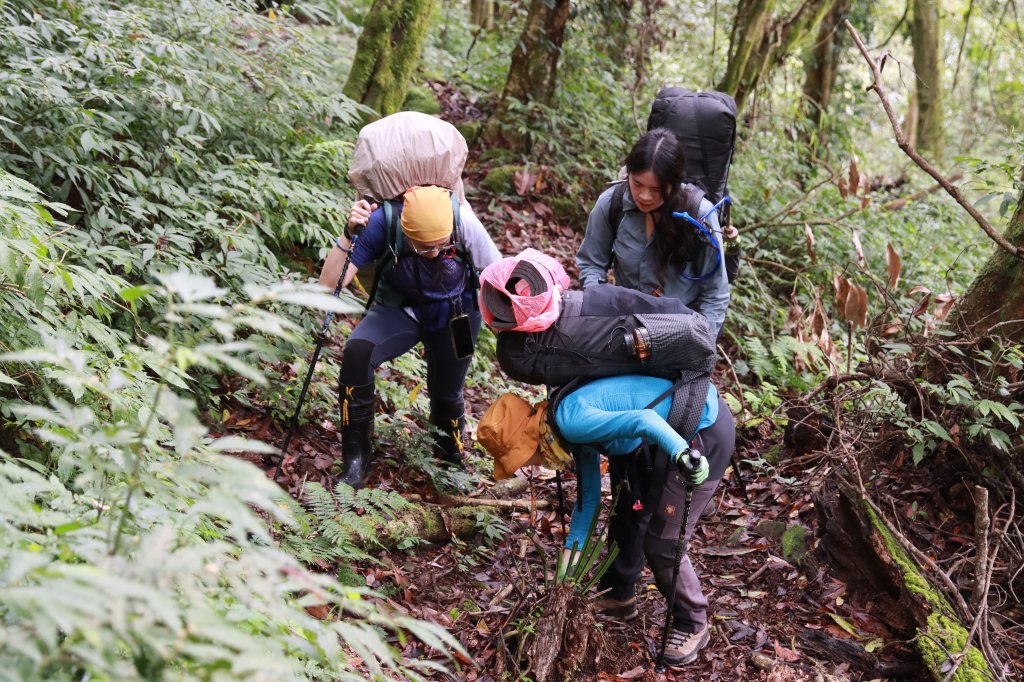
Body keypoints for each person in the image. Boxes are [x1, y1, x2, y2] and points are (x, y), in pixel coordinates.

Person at [477, 374, 735, 667]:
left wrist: (682, 454)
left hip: (702, 428)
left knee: (662, 542)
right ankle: (620, 599)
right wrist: (563, 581)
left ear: (530, 442)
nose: (531, 466)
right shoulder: (563, 427)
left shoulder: (572, 421)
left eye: (524, 460)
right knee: (629, 513)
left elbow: (644, 421)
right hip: (666, 437)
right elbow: (588, 506)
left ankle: (693, 623)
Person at [320, 185, 501, 488]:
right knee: (357, 352)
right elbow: (328, 285)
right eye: (422, 247)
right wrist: (348, 234)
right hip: (400, 308)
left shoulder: (464, 222)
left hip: (456, 313)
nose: (432, 254)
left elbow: (496, 276)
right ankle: (356, 458)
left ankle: (450, 458)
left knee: (447, 391)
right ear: (406, 229)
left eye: (440, 246)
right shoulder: (383, 222)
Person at [576, 128, 730, 337]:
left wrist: (701, 342)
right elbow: (592, 263)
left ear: (673, 185)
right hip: (622, 324)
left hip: (679, 330)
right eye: (637, 184)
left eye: (656, 189)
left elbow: (715, 294)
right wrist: (599, 304)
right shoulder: (612, 204)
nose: (645, 196)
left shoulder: (699, 216)